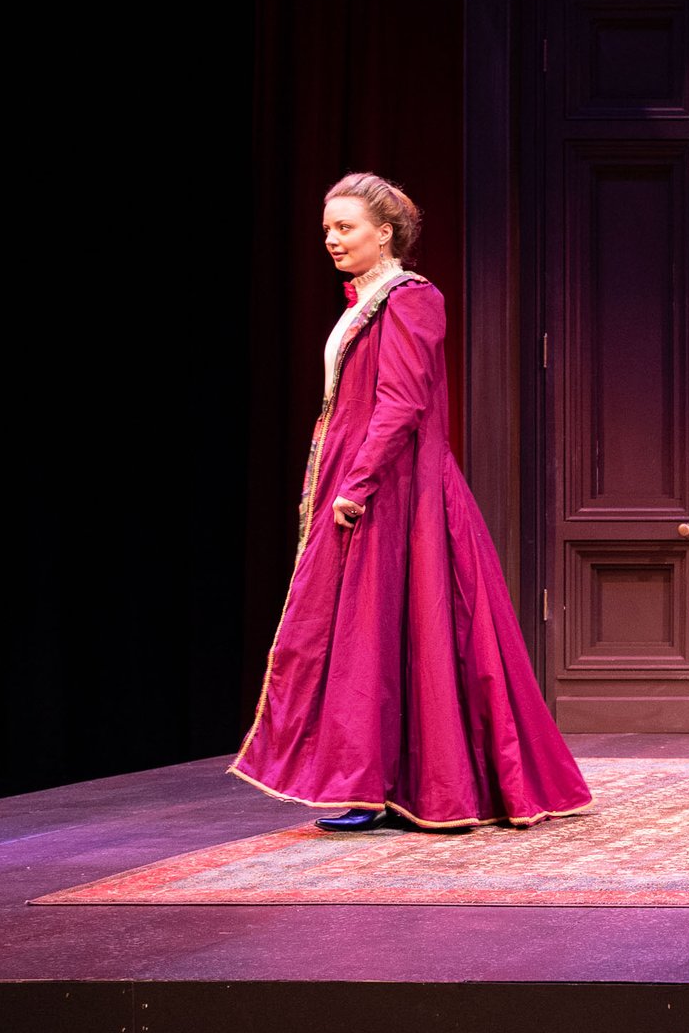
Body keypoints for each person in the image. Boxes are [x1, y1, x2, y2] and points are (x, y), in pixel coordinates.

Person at [232, 173, 593, 831]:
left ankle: (386, 787)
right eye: (327, 229)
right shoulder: (364, 302)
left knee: (387, 632)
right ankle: (382, 784)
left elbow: (400, 403)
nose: (332, 239)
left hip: (398, 489)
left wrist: (358, 483)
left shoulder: (410, 298)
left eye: (345, 227)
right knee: (373, 633)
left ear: (384, 233)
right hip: (369, 482)